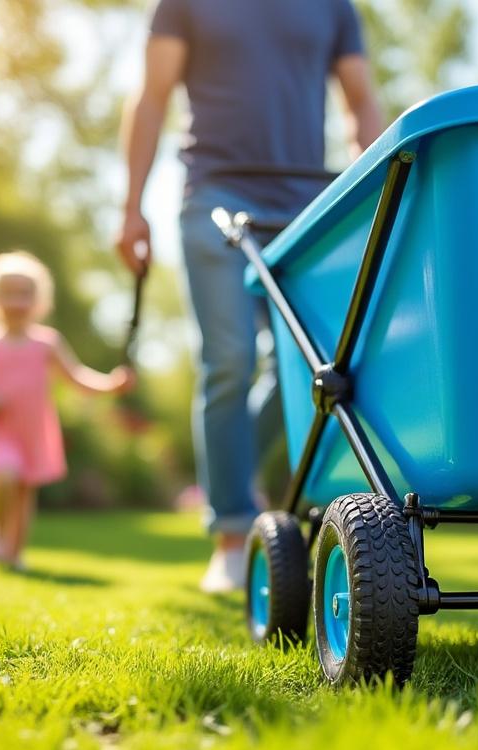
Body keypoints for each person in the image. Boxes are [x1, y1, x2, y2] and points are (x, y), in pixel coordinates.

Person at [117, 0, 384, 593]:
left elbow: (360, 100)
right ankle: (232, 535)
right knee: (229, 360)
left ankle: (237, 479)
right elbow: (152, 95)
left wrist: (375, 194)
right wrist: (131, 206)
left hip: (306, 208)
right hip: (213, 196)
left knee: (310, 370)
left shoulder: (332, 8)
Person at [0, 251, 135, 569]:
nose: (16, 301)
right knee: (4, 475)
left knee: (24, 492)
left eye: (24, 293)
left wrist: (110, 384)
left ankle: (14, 551)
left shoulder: (47, 343)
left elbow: (77, 377)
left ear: (38, 300)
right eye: (8, 293)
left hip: (32, 429)